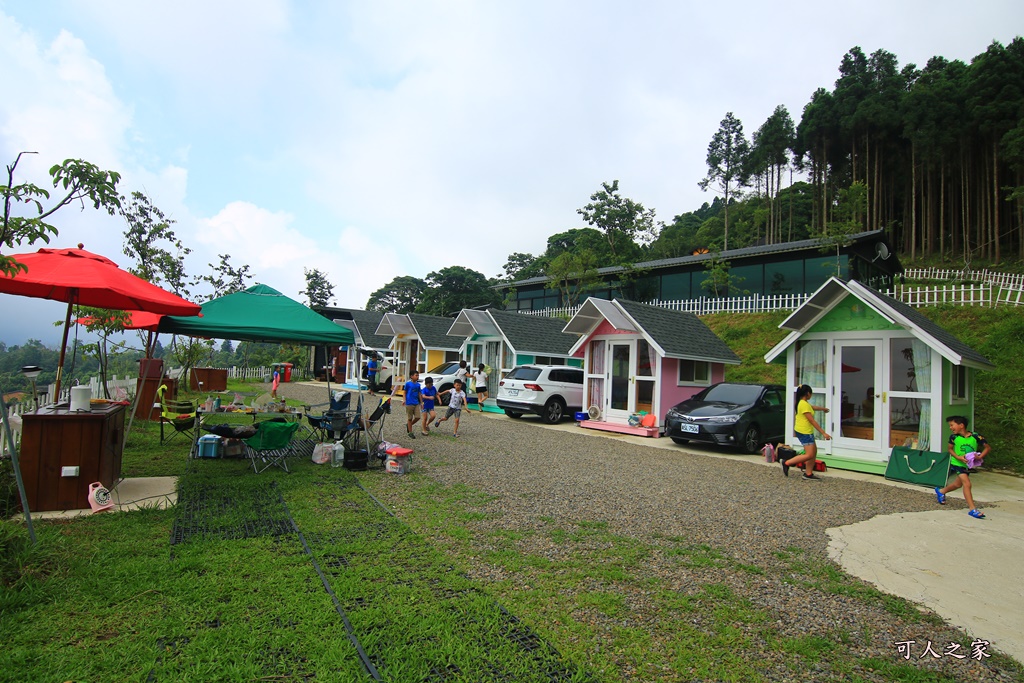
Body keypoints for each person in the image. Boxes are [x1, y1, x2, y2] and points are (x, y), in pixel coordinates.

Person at [935, 415, 990, 518]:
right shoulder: (953, 437)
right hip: (957, 463)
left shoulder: (976, 436)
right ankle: (972, 509)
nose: (950, 428)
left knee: (958, 484)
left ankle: (941, 491)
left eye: (952, 425)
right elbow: (950, 449)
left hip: (968, 464)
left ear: (961, 425)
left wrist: (980, 457)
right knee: (967, 484)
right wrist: (958, 457)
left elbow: (987, 448)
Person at [781, 384, 831, 480]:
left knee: (814, 451)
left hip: (803, 431)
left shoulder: (803, 403)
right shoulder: (803, 404)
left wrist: (823, 409)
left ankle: (808, 474)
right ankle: (787, 463)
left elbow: (812, 407)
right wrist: (823, 433)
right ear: (808, 393)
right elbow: (812, 421)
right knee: (809, 454)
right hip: (805, 432)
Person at [402, 370, 423, 439]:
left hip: (416, 402)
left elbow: (419, 393)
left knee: (418, 417)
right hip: (409, 403)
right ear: (411, 376)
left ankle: (408, 425)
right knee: (410, 418)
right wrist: (404, 400)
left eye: (418, 375)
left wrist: (421, 402)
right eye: (416, 375)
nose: (417, 377)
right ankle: (410, 432)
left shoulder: (418, 385)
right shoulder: (408, 384)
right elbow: (404, 392)